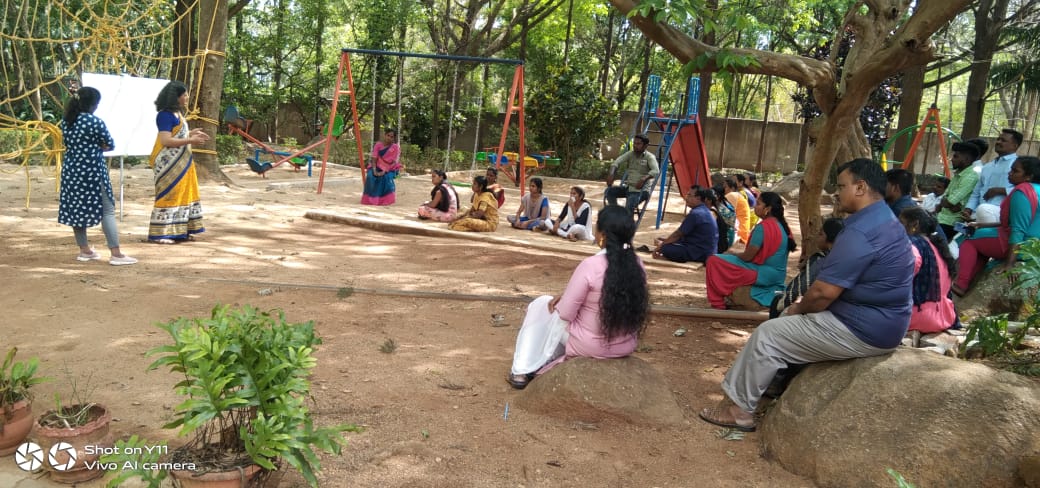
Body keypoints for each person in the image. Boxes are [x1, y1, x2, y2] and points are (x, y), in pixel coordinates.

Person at [698, 158, 914, 432]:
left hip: (864, 327)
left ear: (860, 187)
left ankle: (738, 411)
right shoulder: (885, 220)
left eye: (841, 186)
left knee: (769, 334)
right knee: (786, 323)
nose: (837, 193)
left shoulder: (861, 231)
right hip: (880, 321)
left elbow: (822, 293)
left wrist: (798, 309)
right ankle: (772, 386)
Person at [506, 205, 650, 389]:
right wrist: (568, 297)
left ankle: (521, 370)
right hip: (625, 345)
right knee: (564, 315)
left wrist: (565, 300)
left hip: (589, 346)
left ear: (602, 235)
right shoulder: (638, 263)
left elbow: (566, 313)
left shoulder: (591, 265)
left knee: (541, 305)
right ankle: (544, 359)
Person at [57, 87, 137, 266]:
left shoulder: (66, 121)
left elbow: (68, 143)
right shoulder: (94, 122)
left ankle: (85, 250)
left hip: (71, 171)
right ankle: (116, 253)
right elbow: (110, 144)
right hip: (93, 171)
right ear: (92, 104)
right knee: (107, 210)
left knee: (76, 209)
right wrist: (96, 146)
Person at [953, 156, 1040, 296]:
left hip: (1021, 245)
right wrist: (981, 224)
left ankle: (961, 284)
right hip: (1034, 247)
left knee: (969, 239)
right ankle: (970, 281)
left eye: (1015, 171)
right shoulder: (1037, 190)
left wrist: (1010, 264)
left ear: (1028, 176)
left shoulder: (1022, 191)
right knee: (981, 239)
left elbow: (1018, 229)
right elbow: (1020, 221)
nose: (1010, 173)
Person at [704, 192, 795, 310]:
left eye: (758, 204)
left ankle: (717, 303)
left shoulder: (763, 227)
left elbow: (748, 257)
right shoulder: (783, 226)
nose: (755, 206)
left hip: (763, 274)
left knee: (713, 260)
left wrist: (733, 254)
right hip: (778, 275)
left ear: (767, 209)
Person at [147, 81, 208, 244]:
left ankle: (180, 231)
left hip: (182, 162)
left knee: (183, 193)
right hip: (168, 163)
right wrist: (190, 140)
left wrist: (191, 133)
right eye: (184, 95)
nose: (187, 97)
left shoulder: (178, 114)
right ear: (175, 97)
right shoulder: (164, 115)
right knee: (169, 195)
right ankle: (161, 233)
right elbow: (166, 140)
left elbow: (176, 133)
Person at [767, 217, 844, 319]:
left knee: (778, 301)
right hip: (839, 308)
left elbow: (801, 287)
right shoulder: (844, 258)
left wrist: (785, 300)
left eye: (821, 234)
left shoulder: (820, 260)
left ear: (829, 238)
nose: (818, 237)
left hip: (819, 308)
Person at [900, 207, 957, 334]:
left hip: (918, 317)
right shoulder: (938, 246)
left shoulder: (912, 244)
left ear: (915, 225)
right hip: (945, 316)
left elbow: (901, 275)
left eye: (900, 224)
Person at [962, 129, 1022, 224]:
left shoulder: (1018, 166)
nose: (998, 142)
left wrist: (1000, 190)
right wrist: (968, 209)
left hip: (1000, 215)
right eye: (998, 139)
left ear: (1015, 146)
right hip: (978, 213)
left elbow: (1026, 190)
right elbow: (977, 192)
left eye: (1003, 140)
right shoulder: (987, 166)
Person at [652, 187, 718, 263]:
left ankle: (666, 257)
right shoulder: (703, 210)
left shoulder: (696, 214)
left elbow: (678, 234)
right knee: (666, 244)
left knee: (665, 248)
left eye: (689, 195)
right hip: (705, 251)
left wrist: (661, 246)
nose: (686, 198)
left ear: (698, 198)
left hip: (700, 253)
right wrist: (666, 240)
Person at [605, 134, 659, 216]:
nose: (635, 146)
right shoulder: (630, 154)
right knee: (609, 191)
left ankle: (627, 223)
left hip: (641, 191)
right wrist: (611, 174)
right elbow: (616, 162)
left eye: (638, 144)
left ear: (645, 146)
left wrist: (643, 179)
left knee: (629, 207)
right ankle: (616, 212)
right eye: (634, 143)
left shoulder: (650, 157)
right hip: (629, 188)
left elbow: (656, 171)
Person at [936, 141, 982, 240]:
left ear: (966, 159)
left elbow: (949, 202)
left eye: (956, 156)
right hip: (941, 219)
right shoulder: (959, 174)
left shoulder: (970, 176)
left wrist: (947, 203)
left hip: (951, 224)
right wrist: (947, 203)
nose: (952, 159)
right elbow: (944, 199)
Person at [361, 128, 402, 205]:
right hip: (376, 165)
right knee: (370, 176)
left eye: (391, 137)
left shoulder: (395, 147)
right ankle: (369, 199)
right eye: (388, 135)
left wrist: (384, 171)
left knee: (386, 177)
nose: (389, 138)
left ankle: (384, 200)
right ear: (385, 135)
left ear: (393, 138)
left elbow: (393, 162)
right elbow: (374, 158)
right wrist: (374, 170)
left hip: (390, 168)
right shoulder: (378, 145)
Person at [723, 178, 751, 244]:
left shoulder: (732, 195)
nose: (723, 189)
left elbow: (724, 214)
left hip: (739, 234)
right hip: (743, 231)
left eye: (725, 187)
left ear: (732, 188)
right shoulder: (737, 195)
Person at [712, 184, 736, 253]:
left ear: (718, 196)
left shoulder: (720, 209)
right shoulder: (725, 203)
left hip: (725, 238)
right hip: (729, 235)